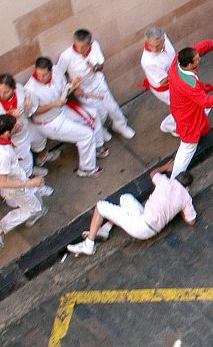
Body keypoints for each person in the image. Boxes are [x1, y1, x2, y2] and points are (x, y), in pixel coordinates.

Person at [67, 160, 196, 256]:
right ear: (187, 187)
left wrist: (165, 167)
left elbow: (153, 174)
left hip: (139, 226)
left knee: (100, 206)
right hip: (149, 224)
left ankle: (89, 245)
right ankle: (105, 229)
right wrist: (179, 210)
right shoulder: (186, 198)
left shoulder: (165, 181)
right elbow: (191, 221)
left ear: (176, 177)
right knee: (125, 198)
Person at [167, 35, 213, 178]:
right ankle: (175, 180)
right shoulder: (190, 85)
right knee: (188, 147)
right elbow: (207, 102)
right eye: (197, 60)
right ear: (188, 65)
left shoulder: (177, 62)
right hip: (189, 117)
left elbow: (200, 47)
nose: (199, 59)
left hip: (180, 107)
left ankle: (166, 126)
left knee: (181, 118)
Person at [24, 57, 104, 177]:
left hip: (61, 111)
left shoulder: (56, 71)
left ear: (51, 71)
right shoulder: (30, 89)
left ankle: (97, 147)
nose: (41, 78)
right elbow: (33, 113)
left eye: (44, 75)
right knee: (86, 135)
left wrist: (74, 85)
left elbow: (65, 89)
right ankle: (86, 169)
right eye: (38, 74)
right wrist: (53, 105)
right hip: (50, 123)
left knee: (93, 113)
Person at [56, 29, 135, 140]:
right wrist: (73, 87)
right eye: (78, 46)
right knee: (99, 113)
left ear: (89, 44)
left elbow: (101, 65)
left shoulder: (95, 46)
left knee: (112, 107)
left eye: (83, 47)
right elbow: (58, 75)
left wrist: (96, 68)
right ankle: (101, 130)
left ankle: (120, 125)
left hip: (97, 82)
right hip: (83, 89)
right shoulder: (66, 56)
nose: (80, 49)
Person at [0, 115, 51, 247]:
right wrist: (29, 183)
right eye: (15, 125)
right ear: (6, 133)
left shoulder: (5, 145)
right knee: (32, 209)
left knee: (34, 199)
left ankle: (37, 194)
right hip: (15, 189)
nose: (19, 125)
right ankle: (1, 228)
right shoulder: (4, 154)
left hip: (18, 181)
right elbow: (2, 182)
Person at [0, 74, 59, 177]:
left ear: (13, 89)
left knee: (40, 136)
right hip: (14, 137)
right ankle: (31, 175)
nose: (2, 95)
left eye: (6, 92)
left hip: (26, 125)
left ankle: (42, 157)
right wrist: (10, 116)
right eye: (0, 91)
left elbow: (25, 92)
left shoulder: (18, 88)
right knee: (25, 160)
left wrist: (28, 100)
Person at [140, 27, 177, 136]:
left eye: (158, 45)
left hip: (174, 77)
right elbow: (163, 81)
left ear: (163, 39)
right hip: (166, 88)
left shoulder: (164, 37)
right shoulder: (149, 61)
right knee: (179, 105)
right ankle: (169, 125)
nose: (154, 49)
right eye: (151, 46)